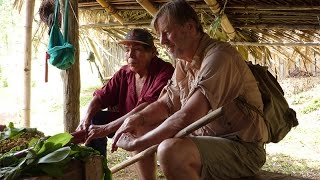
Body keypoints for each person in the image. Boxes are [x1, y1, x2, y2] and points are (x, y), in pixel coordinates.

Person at [111, 0, 269, 179]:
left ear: (190, 27)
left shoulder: (220, 57)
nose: (162, 41)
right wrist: (138, 119)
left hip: (243, 148)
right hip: (207, 141)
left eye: (167, 32)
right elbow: (167, 103)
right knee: (140, 126)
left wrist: (138, 143)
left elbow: (187, 115)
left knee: (170, 151)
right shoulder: (184, 62)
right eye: (160, 35)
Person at [77, 28, 174, 156]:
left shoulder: (164, 71)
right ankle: (96, 165)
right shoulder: (124, 73)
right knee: (95, 118)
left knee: (140, 127)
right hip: (125, 123)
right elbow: (101, 97)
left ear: (152, 52)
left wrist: (107, 128)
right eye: (127, 50)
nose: (130, 55)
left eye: (137, 50)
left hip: (153, 125)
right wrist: (86, 119)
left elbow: (147, 107)